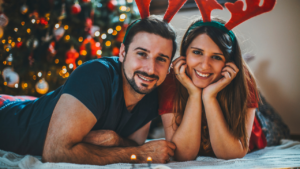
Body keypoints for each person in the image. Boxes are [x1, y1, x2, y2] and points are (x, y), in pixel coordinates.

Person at [0, 16, 177, 165]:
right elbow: (54, 153)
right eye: (142, 54)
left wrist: (115, 139)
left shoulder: (152, 91)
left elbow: (134, 142)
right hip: (8, 123)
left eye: (161, 59)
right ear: (122, 53)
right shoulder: (95, 75)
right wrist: (140, 154)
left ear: (169, 65)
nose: (150, 69)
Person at [158, 17, 267, 161]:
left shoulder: (244, 80)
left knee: (270, 122)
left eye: (216, 57)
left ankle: (244, 62)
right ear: (184, 54)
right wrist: (194, 94)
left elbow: (231, 154)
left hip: (258, 127)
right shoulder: (171, 79)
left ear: (228, 61)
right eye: (197, 52)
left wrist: (209, 97)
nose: (204, 66)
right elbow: (182, 155)